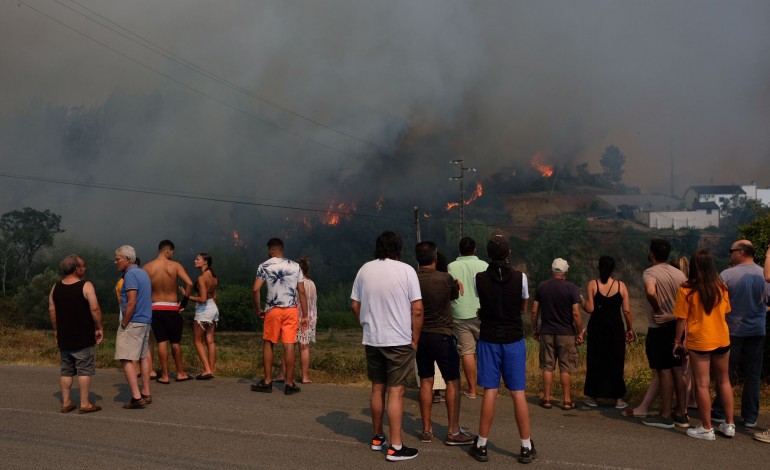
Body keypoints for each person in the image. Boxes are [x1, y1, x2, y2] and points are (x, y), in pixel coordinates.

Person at [351, 231, 423, 462]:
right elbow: (418, 308)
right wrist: (415, 339)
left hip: (373, 339)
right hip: (399, 340)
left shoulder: (364, 269)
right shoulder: (406, 271)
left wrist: (365, 324)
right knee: (396, 392)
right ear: (398, 249)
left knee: (377, 388)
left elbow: (355, 305)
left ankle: (377, 437)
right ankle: (396, 446)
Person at [468, 231, 535, 464]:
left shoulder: (479, 278)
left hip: (489, 339)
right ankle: (526, 446)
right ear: (509, 253)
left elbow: (485, 304)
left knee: (490, 391)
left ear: (487, 254)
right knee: (518, 392)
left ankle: (482, 444)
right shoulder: (521, 278)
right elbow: (522, 308)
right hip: (513, 339)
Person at [413, 241, 472, 446]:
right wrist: (455, 283)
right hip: (443, 336)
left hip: (421, 337)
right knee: (452, 381)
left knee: (426, 380)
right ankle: (453, 431)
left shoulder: (412, 279)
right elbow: (455, 295)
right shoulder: (444, 278)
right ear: (435, 257)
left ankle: (426, 429)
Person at [673, 250, 734, 440]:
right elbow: (726, 312)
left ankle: (707, 428)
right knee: (724, 381)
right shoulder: (721, 286)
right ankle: (729, 424)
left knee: (702, 384)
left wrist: (677, 341)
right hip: (722, 338)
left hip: (700, 340)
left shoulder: (687, 289)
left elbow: (681, 319)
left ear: (693, 266)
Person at [712, 240, 769, 428]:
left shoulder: (727, 275)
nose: (730, 254)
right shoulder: (764, 274)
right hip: (757, 330)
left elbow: (716, 302)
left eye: (732, 251)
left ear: (742, 252)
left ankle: (720, 412)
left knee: (725, 373)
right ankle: (750, 417)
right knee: (753, 374)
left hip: (732, 330)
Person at [640, 239, 689, 429]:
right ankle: (682, 414)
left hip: (659, 327)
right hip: (676, 326)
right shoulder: (679, 274)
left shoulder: (650, 272)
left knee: (663, 370)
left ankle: (666, 415)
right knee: (677, 368)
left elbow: (650, 291)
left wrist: (657, 309)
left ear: (652, 253)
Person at [251, 238, 308, 395]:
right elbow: (301, 292)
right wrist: (305, 314)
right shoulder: (295, 266)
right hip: (291, 310)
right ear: (282, 249)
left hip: (273, 310)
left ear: (271, 250)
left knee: (269, 343)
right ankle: (289, 384)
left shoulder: (265, 265)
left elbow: (255, 289)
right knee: (289, 345)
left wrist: (258, 309)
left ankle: (268, 381)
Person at [48, 255, 104, 414]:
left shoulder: (55, 287)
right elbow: (95, 309)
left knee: (66, 370)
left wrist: (56, 330)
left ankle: (66, 403)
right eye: (83, 266)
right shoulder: (86, 286)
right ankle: (85, 404)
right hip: (83, 336)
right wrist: (99, 327)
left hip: (64, 336)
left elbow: (52, 310)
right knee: (84, 370)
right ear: (76, 269)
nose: (84, 268)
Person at [531, 258, 583, 411]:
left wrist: (534, 328)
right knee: (565, 367)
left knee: (548, 366)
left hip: (546, 331)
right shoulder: (571, 288)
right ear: (566, 272)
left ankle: (547, 399)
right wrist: (580, 331)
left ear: (551, 271)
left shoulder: (542, 287)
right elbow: (576, 313)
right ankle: (567, 401)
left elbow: (534, 310)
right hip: (566, 333)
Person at [582, 256, 633, 408]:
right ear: (612, 269)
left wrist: (581, 301)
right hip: (615, 328)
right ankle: (618, 399)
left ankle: (593, 397)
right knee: (616, 361)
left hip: (597, 327)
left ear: (599, 267)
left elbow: (590, 309)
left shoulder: (593, 284)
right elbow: (627, 311)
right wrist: (630, 329)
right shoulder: (620, 286)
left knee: (595, 360)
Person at [143, 240, 193, 384]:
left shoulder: (147, 267)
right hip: (172, 307)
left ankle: (164, 376)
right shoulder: (175, 265)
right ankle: (180, 373)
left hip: (155, 308)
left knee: (162, 342)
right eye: (172, 252)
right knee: (175, 342)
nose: (172, 254)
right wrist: (184, 302)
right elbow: (189, 283)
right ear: (167, 251)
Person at [447, 237, 488, 399]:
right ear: (475, 250)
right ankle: (490, 388)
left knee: (467, 352)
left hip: (460, 314)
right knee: (486, 350)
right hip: (482, 313)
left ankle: (472, 390)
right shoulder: (484, 265)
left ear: (459, 250)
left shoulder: (452, 266)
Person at [114, 245, 153, 409]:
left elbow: (132, 301)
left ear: (128, 259)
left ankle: (136, 397)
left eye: (118, 259)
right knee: (143, 356)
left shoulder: (129, 275)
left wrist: (124, 323)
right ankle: (146, 392)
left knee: (126, 357)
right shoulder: (143, 273)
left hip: (134, 321)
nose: (115, 262)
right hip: (145, 321)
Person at [277, 256, 318, 384]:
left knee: (289, 346)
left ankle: (281, 374)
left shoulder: (296, 284)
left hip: (295, 316)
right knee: (304, 347)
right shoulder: (312, 284)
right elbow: (313, 303)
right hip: (309, 317)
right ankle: (305, 376)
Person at [186, 253, 218, 380]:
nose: (195, 261)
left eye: (197, 259)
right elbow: (214, 296)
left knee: (198, 340)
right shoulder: (214, 276)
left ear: (205, 262)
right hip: (213, 308)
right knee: (209, 340)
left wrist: (187, 296)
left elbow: (202, 299)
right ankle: (211, 369)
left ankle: (206, 370)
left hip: (204, 309)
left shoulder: (202, 278)